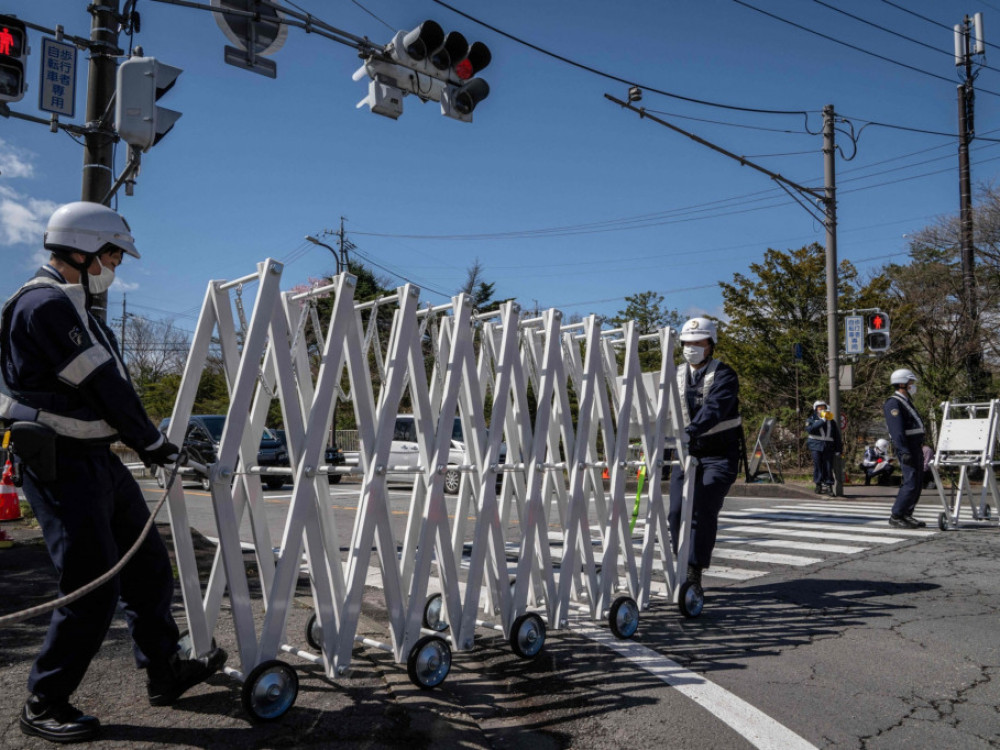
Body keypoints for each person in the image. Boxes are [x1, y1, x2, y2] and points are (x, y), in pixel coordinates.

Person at [0, 202, 226, 744]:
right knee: (91, 585)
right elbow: (104, 386)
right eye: (111, 256)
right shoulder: (45, 305)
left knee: (146, 566)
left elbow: (106, 389)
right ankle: (45, 701)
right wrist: (153, 443)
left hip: (95, 458)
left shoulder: (75, 306)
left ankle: (164, 671)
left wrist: (146, 442)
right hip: (61, 465)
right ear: (82, 248)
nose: (115, 266)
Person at [668, 316, 741, 597]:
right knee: (675, 511)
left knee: (701, 507)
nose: (691, 348)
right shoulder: (673, 374)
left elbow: (714, 409)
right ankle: (682, 561)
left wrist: (690, 430)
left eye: (698, 343)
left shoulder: (724, 375)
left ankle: (693, 570)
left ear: (710, 345)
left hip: (719, 454)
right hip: (683, 453)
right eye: (687, 343)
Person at [883, 368, 927, 529]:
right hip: (907, 448)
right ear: (901, 383)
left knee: (917, 481)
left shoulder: (906, 401)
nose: (913, 386)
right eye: (910, 383)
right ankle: (897, 515)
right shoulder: (893, 403)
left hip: (915, 446)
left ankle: (907, 514)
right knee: (911, 481)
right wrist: (903, 450)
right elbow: (897, 431)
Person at [805, 399, 842, 495]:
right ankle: (818, 484)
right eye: (820, 408)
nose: (822, 409)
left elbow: (836, 436)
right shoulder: (811, 419)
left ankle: (829, 486)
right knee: (818, 465)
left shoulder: (831, 421)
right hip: (815, 445)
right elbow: (810, 429)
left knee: (828, 466)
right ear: (815, 409)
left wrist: (838, 449)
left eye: (823, 407)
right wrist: (822, 420)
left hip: (828, 446)